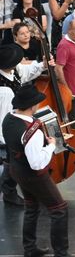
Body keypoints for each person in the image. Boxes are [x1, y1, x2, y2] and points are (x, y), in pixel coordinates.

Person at [2, 85, 75, 257]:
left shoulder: (8, 119)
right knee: (59, 209)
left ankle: (30, 248)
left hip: (17, 171)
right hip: (33, 175)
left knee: (31, 207)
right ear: (33, 106)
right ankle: (61, 255)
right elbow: (37, 163)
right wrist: (51, 145)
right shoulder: (32, 131)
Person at [0, 43, 43, 205]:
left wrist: (43, 65)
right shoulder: (4, 91)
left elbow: (26, 72)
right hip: (8, 129)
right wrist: (7, 139)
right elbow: (3, 117)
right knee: (11, 162)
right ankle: (9, 192)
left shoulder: (14, 71)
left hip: (15, 124)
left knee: (14, 162)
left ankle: (10, 190)